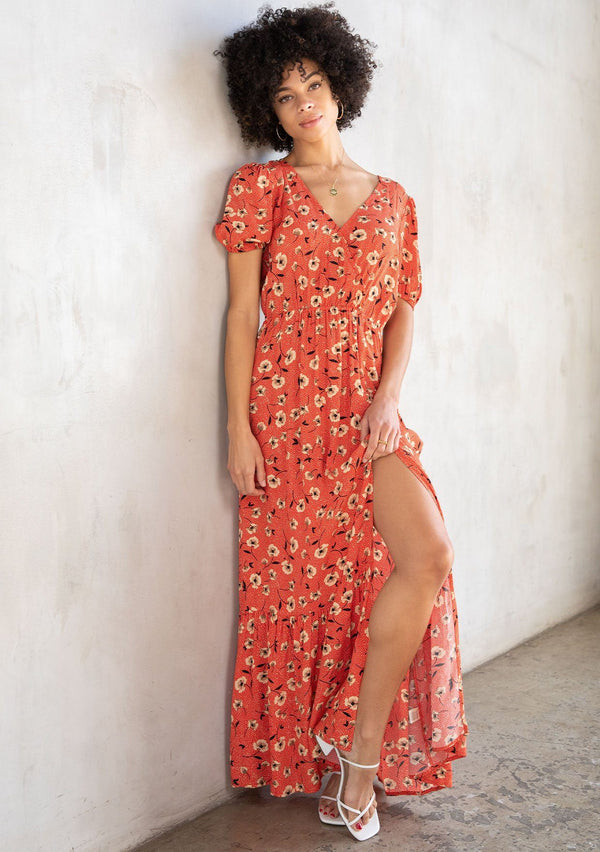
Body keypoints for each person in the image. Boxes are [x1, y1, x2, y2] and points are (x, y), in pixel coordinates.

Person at [214, 3, 468, 841]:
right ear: (267, 109)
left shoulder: (392, 202)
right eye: (285, 96)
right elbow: (242, 315)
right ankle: (327, 761)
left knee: (425, 553)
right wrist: (237, 430)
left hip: (366, 420)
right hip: (284, 422)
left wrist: (389, 398)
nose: (304, 105)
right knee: (301, 591)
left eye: (315, 85)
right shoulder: (259, 190)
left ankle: (357, 757)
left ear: (340, 87)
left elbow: (402, 314)